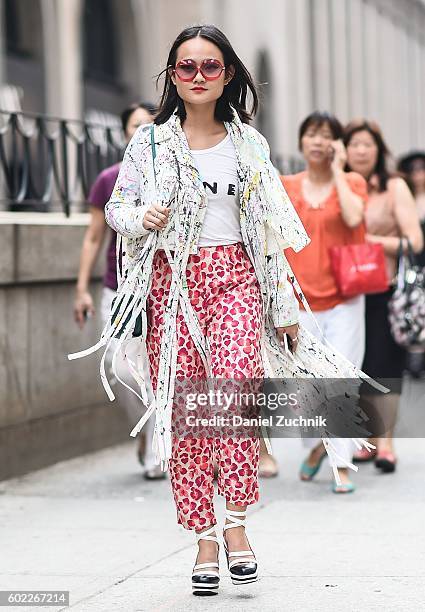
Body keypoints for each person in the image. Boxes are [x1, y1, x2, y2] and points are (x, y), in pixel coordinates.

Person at [69, 25, 381, 596]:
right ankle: (204, 541)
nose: (197, 78)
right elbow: (117, 209)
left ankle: (236, 527)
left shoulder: (250, 146)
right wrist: (143, 219)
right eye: (185, 68)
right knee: (189, 419)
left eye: (209, 67)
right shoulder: (151, 144)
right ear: (171, 76)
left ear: (228, 74)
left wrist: (284, 304)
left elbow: (269, 233)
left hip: (237, 279)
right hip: (172, 289)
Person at [73, 102, 165, 480]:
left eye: (150, 124)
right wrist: (82, 289)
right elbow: (94, 237)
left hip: (164, 287)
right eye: (135, 125)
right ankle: (147, 427)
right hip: (120, 288)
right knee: (120, 367)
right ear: (126, 132)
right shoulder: (109, 179)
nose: (142, 130)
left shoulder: (170, 177)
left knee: (162, 368)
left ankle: (161, 451)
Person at [280, 112, 368, 494]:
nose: (318, 142)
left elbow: (353, 216)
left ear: (336, 144)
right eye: (312, 134)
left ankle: (342, 465)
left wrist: (338, 170)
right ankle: (319, 445)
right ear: (301, 141)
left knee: (342, 380)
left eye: (326, 136)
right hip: (298, 300)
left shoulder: (351, 182)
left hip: (345, 298)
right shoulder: (286, 185)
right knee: (308, 386)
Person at [345, 120, 423, 472]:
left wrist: (369, 242)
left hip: (384, 289)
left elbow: (414, 240)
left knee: (384, 366)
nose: (361, 150)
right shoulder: (339, 185)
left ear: (378, 150)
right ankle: (363, 438)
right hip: (342, 291)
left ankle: (386, 443)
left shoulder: (393, 187)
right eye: (354, 144)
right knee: (353, 366)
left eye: (367, 144)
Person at [397, 151, 425, 378]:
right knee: (413, 309)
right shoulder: (404, 197)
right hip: (413, 263)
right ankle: (414, 359)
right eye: (413, 170)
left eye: (421, 169)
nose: (418, 175)